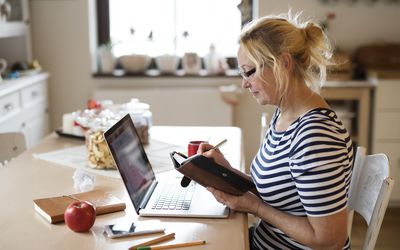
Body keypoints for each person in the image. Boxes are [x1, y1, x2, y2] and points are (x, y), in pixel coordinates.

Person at [199, 11, 354, 250]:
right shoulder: (285, 114)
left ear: (283, 64)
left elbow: (329, 240)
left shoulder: (315, 136)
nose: (245, 83)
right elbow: (283, 192)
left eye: (249, 71)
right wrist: (227, 173)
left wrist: (255, 207)